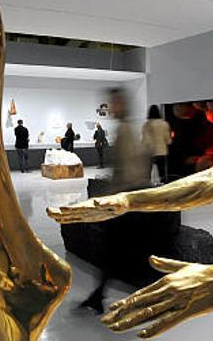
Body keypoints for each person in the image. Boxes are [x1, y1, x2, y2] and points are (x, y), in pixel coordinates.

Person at [80, 88, 150, 313]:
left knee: (117, 250)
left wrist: (116, 200)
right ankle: (99, 295)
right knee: (116, 251)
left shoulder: (126, 130)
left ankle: (101, 295)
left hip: (125, 202)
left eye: (115, 103)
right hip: (125, 201)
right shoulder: (125, 129)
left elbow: (129, 170)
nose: (111, 108)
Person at [141, 105, 172, 184]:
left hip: (150, 152)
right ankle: (163, 189)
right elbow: (168, 140)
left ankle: (147, 188)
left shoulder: (146, 125)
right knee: (162, 175)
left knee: (147, 175)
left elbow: (145, 141)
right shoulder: (164, 124)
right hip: (162, 152)